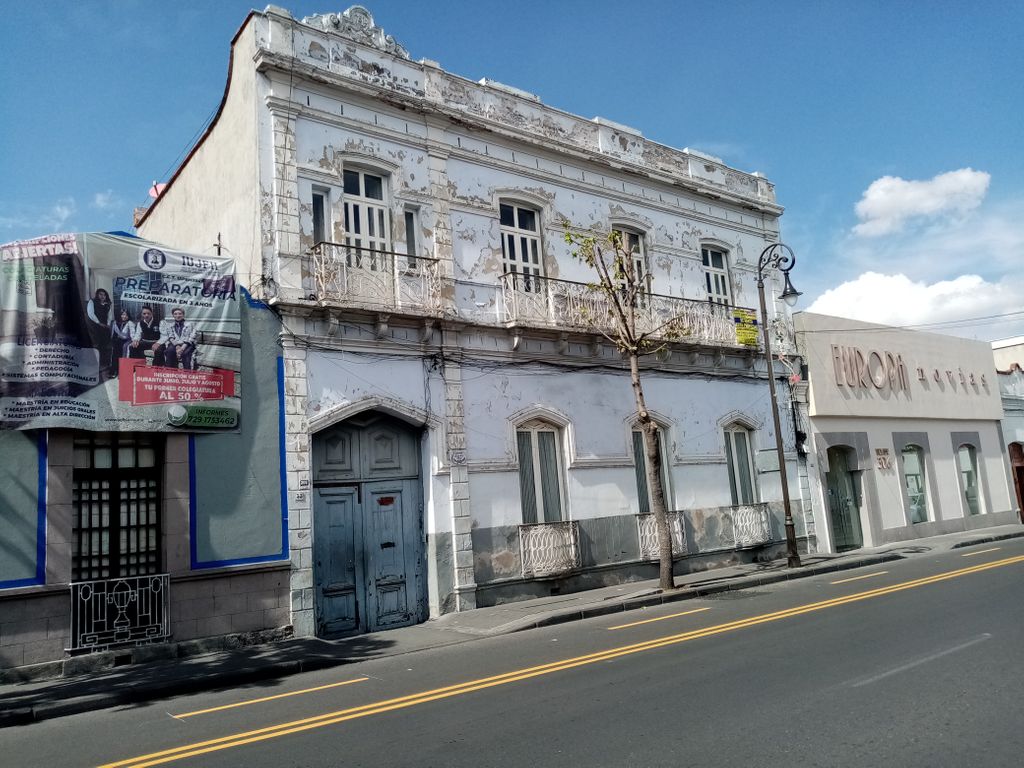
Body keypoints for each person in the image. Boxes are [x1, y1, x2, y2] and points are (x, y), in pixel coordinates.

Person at [86, 288, 112, 377]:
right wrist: (99, 323)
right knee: (96, 344)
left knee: (104, 344)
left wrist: (108, 324)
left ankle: (103, 363)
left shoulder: (107, 304)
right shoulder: (92, 302)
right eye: (100, 294)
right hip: (94, 326)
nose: (102, 296)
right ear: (97, 295)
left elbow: (109, 315)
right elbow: (91, 314)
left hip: (104, 326)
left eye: (104, 295)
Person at [109, 309, 136, 377]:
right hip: (119, 340)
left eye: (126, 315)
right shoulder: (117, 322)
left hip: (127, 340)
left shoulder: (130, 323)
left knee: (123, 350)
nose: (124, 316)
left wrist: (133, 342)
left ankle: (122, 371)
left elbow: (132, 334)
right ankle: (114, 371)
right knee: (115, 353)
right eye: (123, 314)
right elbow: (114, 333)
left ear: (128, 316)